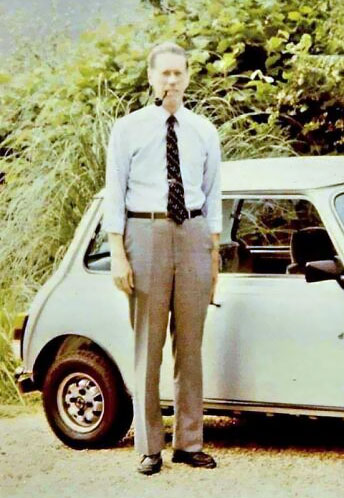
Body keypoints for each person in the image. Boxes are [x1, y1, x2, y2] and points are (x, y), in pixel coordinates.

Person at [103, 41, 222, 475]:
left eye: (179, 73)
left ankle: (189, 443)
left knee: (190, 344)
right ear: (151, 76)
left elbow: (214, 194)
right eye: (164, 73)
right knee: (148, 345)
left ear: (188, 76)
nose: (172, 81)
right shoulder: (128, 129)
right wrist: (118, 253)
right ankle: (150, 446)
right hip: (144, 231)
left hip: (191, 232)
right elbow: (114, 194)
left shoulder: (204, 131)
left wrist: (213, 254)